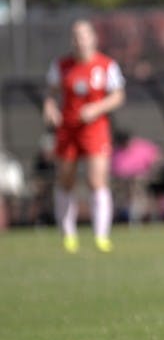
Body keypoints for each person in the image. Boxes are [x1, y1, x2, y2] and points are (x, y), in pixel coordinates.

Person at [43, 19, 126, 253]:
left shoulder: (106, 65)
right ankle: (68, 234)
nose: (79, 40)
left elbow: (118, 96)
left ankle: (101, 236)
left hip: (95, 129)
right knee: (66, 179)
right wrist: (50, 109)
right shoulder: (61, 65)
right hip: (68, 129)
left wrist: (96, 109)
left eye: (83, 35)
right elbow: (50, 94)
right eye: (75, 36)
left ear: (93, 38)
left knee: (96, 180)